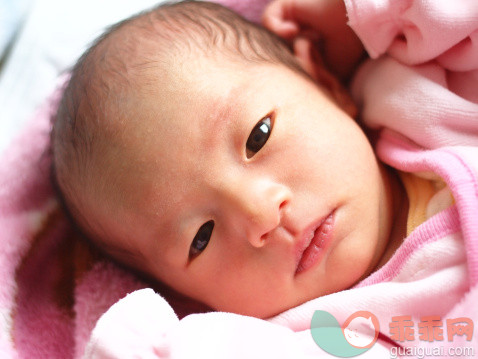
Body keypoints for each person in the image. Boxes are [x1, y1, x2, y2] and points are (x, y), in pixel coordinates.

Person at [52, 0, 477, 329]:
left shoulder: (419, 97)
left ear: (325, 82)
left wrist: (347, 14)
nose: (260, 214)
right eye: (200, 238)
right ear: (189, 299)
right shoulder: (304, 339)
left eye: (258, 136)